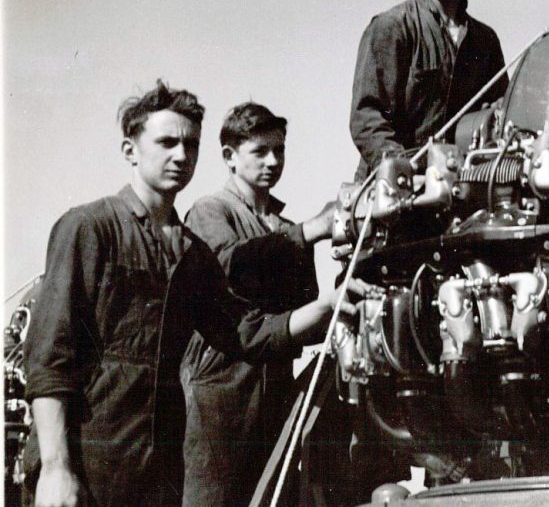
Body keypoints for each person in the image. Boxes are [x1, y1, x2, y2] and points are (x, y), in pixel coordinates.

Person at [23, 81, 341, 507]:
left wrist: (330, 308)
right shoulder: (89, 228)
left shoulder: (193, 254)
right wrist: (56, 469)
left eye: (190, 144)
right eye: (167, 142)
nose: (181, 155)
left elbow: (244, 334)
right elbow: (50, 359)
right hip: (89, 465)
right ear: (130, 151)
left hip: (160, 474)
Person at [179, 103, 336, 506]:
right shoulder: (210, 210)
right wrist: (310, 231)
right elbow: (229, 264)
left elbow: (305, 308)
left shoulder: (284, 227)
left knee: (271, 494)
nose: (273, 161)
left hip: (275, 385)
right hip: (221, 388)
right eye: (260, 151)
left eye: (279, 151)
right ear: (230, 157)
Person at [350, 0, 506, 181]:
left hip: (464, 190)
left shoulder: (486, 41)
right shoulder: (392, 28)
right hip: (397, 195)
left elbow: (500, 115)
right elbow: (367, 119)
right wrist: (403, 171)